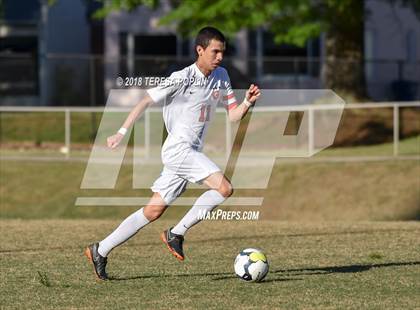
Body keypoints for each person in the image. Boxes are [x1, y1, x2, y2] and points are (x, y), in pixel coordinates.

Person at [85, 26, 261, 280]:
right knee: (224, 188)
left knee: (153, 211)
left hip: (190, 152)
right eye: (215, 51)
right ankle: (176, 233)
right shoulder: (181, 78)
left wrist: (247, 102)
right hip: (178, 150)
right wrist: (121, 133)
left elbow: (234, 116)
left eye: (222, 52)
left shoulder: (222, 75)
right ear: (199, 50)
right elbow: (144, 101)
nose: (220, 57)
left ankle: (100, 250)